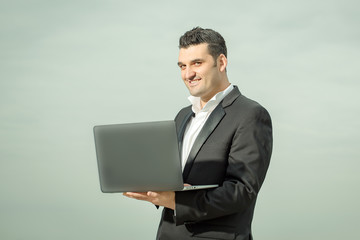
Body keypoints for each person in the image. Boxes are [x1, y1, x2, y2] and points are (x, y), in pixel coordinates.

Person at [123, 27, 273, 240]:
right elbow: (175, 180)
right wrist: (154, 189)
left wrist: (174, 200)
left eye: (197, 63)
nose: (188, 74)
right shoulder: (182, 115)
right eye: (182, 66)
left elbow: (242, 191)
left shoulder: (251, 115)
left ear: (221, 62)